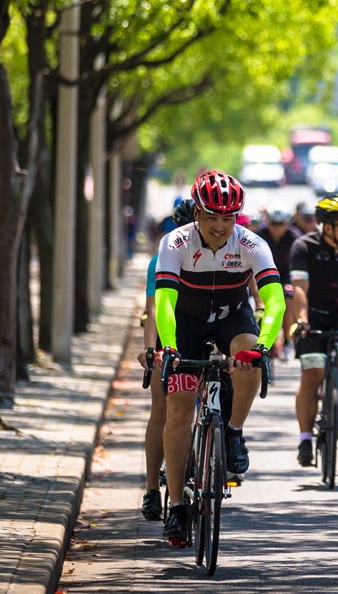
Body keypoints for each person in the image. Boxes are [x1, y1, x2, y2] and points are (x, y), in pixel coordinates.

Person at [154, 171, 286, 546]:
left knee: (249, 354)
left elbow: (274, 300)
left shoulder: (251, 243)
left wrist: (263, 344)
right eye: (211, 217)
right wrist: (169, 345)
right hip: (186, 324)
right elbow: (164, 300)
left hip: (233, 317)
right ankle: (177, 505)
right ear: (197, 213)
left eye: (227, 218)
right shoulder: (175, 242)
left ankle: (233, 431)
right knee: (179, 409)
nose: (219, 226)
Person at [290, 194, 338, 467]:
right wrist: (302, 320)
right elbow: (299, 288)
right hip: (314, 315)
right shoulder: (304, 246)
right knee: (312, 375)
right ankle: (306, 438)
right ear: (328, 227)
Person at [137, 198, 195, 522]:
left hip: (201, 332)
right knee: (162, 405)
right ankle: (151, 489)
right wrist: (150, 350)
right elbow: (153, 310)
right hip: (167, 334)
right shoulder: (162, 258)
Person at [256, 208, 302, 359]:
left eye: (281, 224)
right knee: (260, 301)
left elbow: (299, 263)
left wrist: (292, 283)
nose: (277, 228)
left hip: (286, 274)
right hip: (264, 273)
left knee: (288, 299)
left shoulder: (294, 237)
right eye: (273, 224)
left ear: (287, 224)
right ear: (267, 223)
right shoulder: (259, 236)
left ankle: (288, 341)